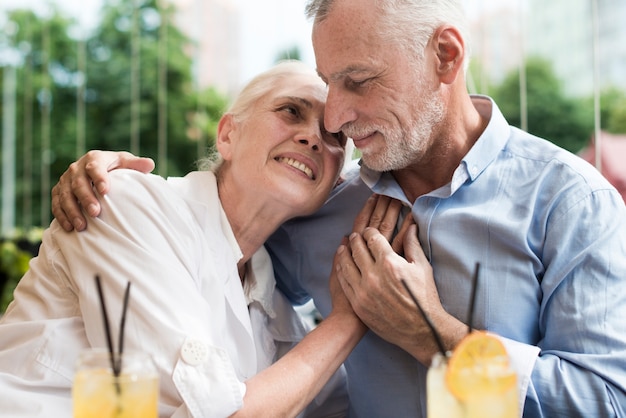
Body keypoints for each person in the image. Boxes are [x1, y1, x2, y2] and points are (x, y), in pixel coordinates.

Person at [51, 0, 626, 416]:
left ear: (445, 58)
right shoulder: (317, 208)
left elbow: (606, 401)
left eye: (359, 81)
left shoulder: (571, 201)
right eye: (330, 83)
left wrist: (433, 334)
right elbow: (211, 228)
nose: (333, 119)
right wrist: (105, 175)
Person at [0, 60, 378, 418]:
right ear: (228, 134)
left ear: (333, 182)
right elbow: (219, 412)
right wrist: (349, 317)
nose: (313, 137)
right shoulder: (124, 204)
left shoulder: (274, 306)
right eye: (291, 111)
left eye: (333, 136)